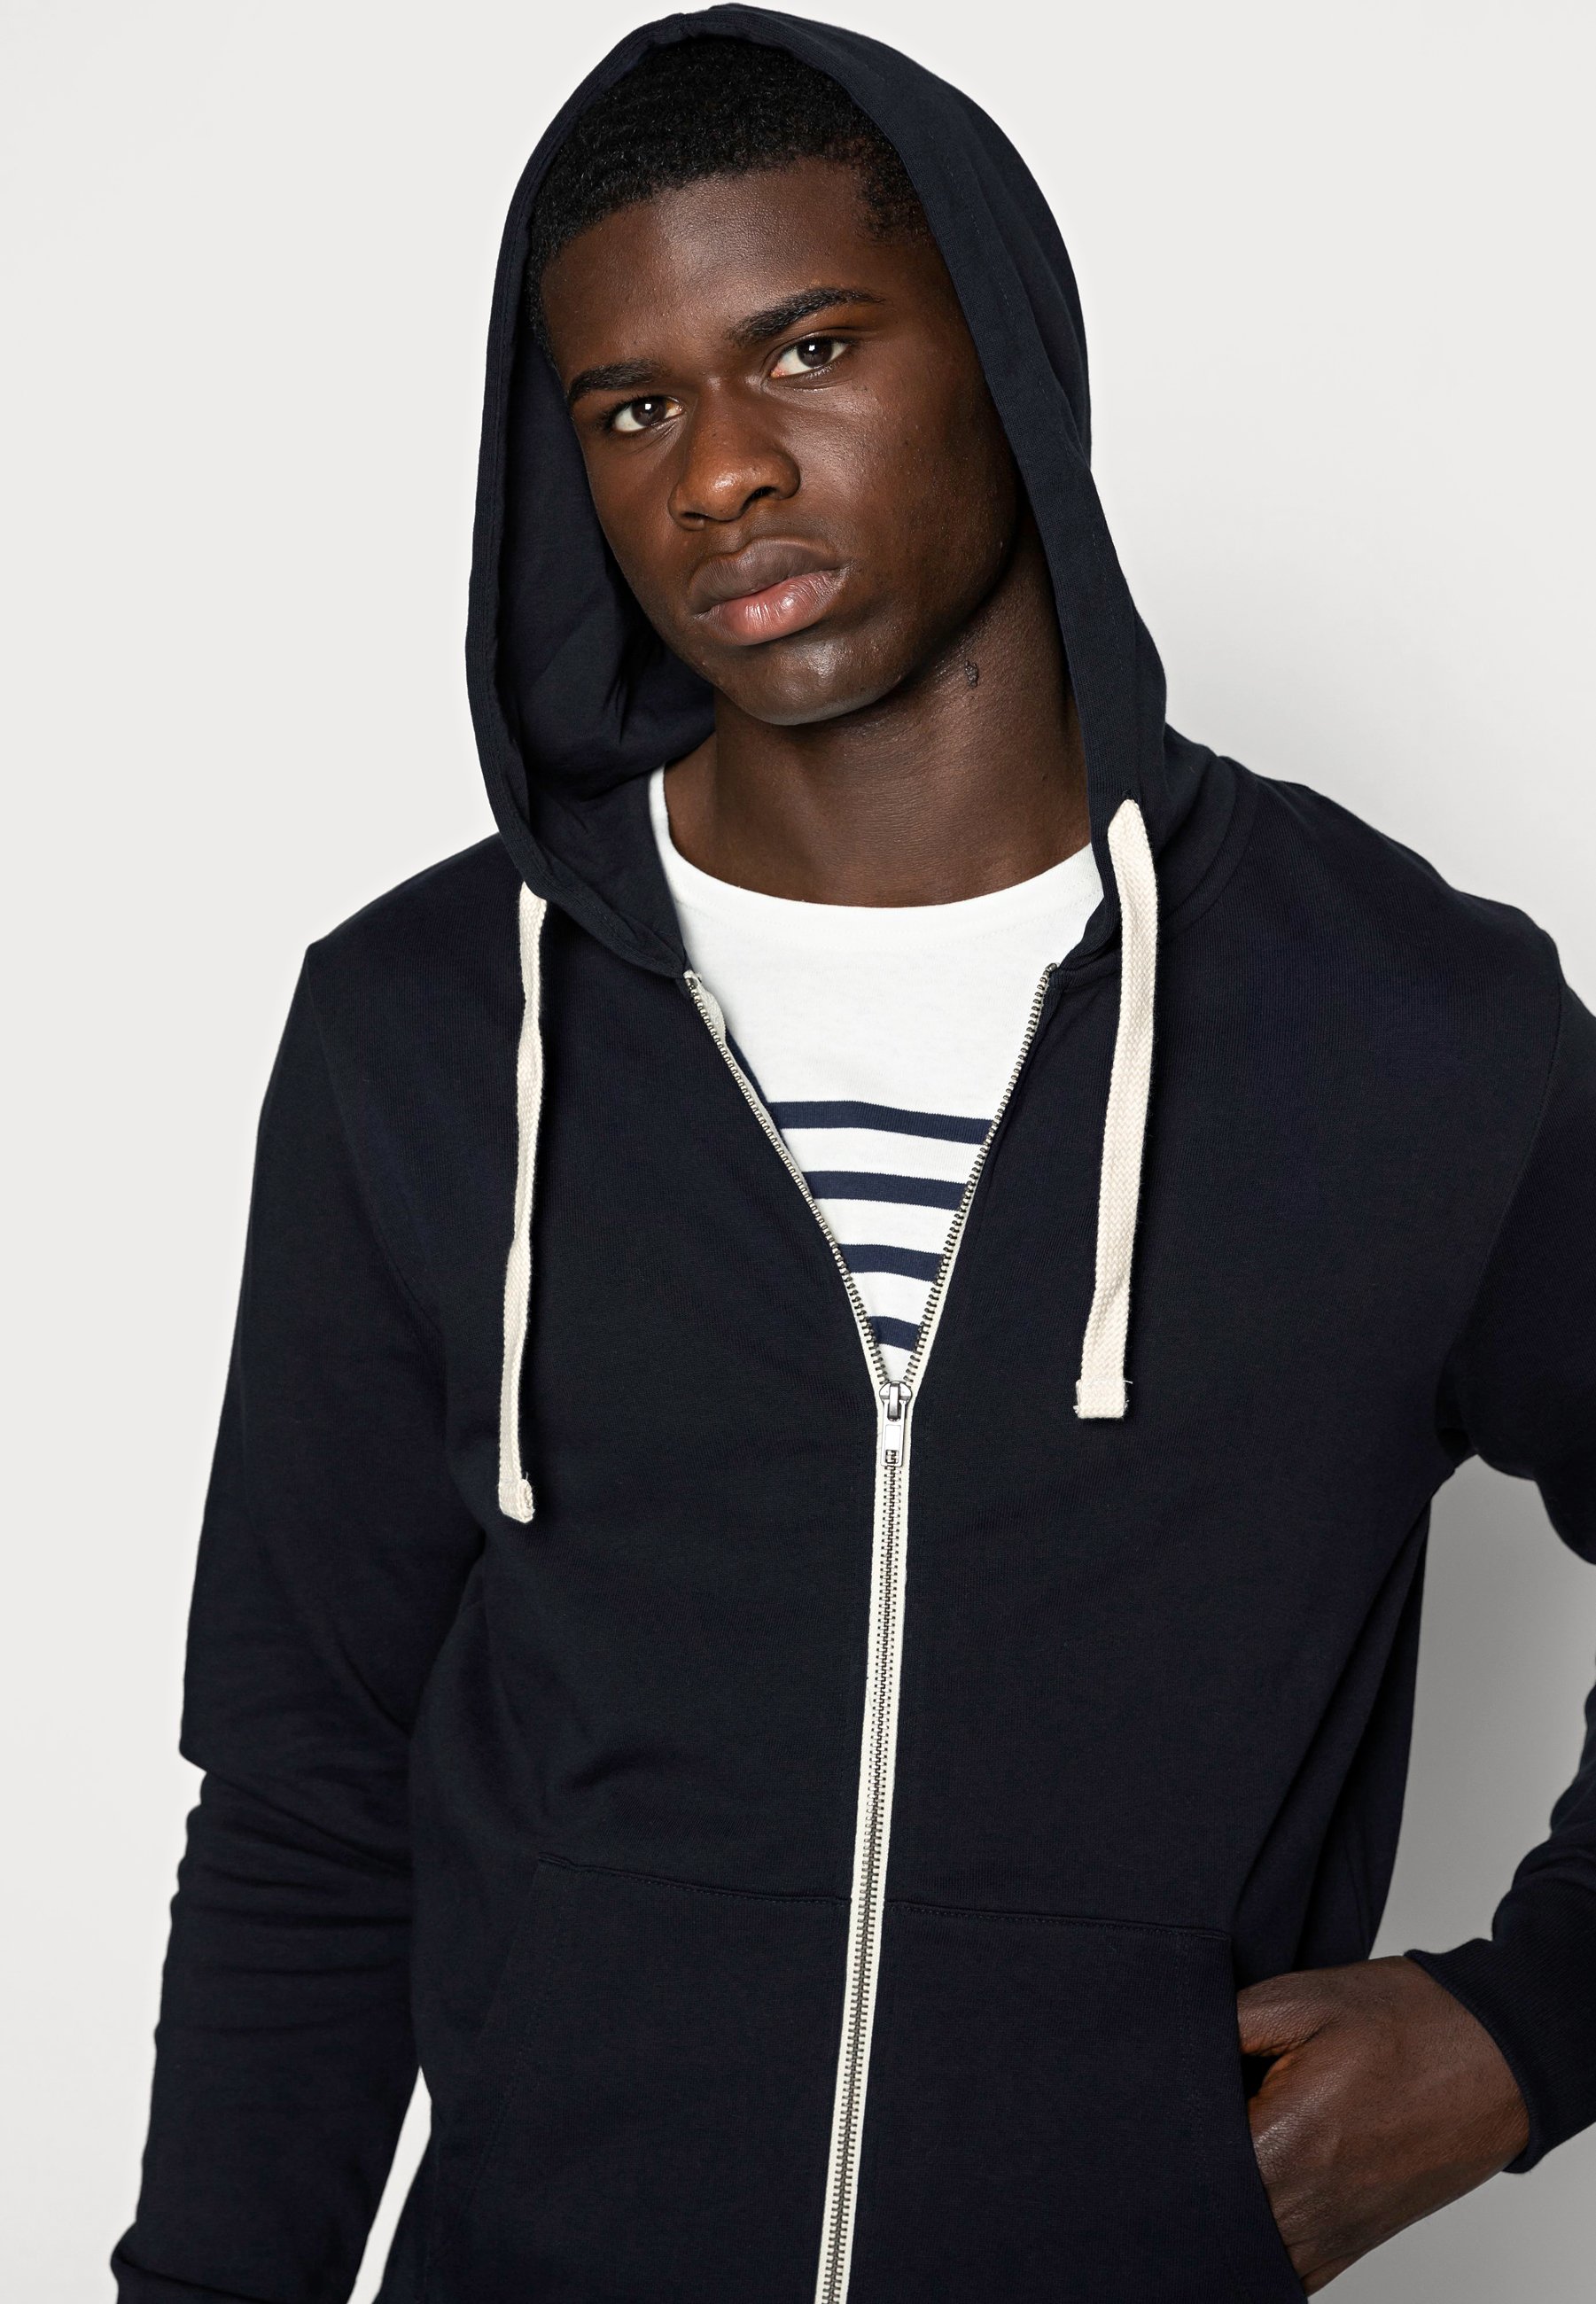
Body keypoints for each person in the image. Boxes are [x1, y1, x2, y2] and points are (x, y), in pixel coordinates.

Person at [114, 15, 1596, 2302]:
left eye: (806, 348)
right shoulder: (428, 1026)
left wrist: (1528, 2028)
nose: (718, 472)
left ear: (1002, 349)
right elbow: (309, 1793)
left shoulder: (1411, 1034)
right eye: (631, 407)